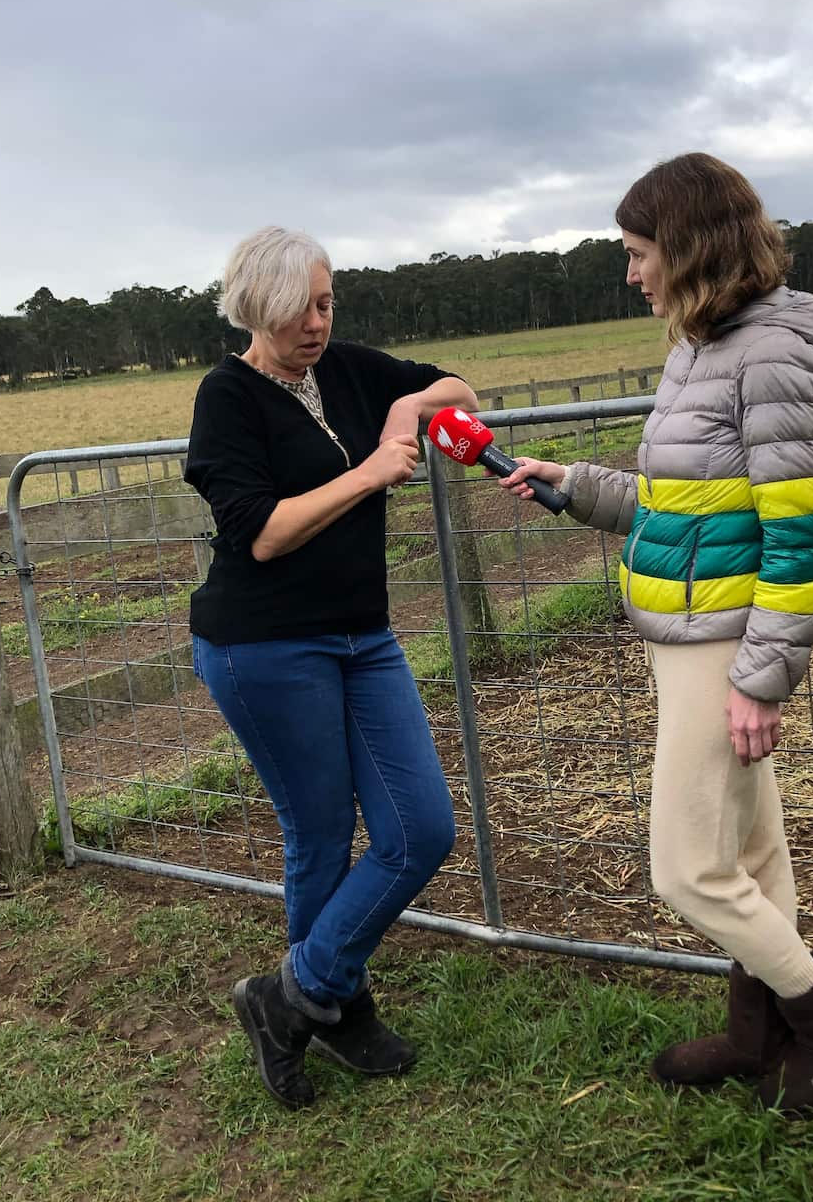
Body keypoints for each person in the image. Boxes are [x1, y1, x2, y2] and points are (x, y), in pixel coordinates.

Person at [495, 153, 813, 1117]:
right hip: (687, 629)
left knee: (687, 870)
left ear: (692, 248)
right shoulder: (700, 345)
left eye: (640, 252)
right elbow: (678, 501)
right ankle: (759, 1037)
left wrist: (760, 678)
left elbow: (797, 532)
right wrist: (572, 485)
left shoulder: (769, 354)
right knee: (751, 855)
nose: (631, 272)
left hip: (724, 640)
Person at [184, 226, 479, 1110]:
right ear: (255, 310)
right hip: (263, 646)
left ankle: (290, 998)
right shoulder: (227, 397)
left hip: (363, 637)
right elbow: (263, 534)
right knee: (318, 832)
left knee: (420, 829)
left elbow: (459, 389)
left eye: (325, 303)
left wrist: (405, 409)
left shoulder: (345, 368)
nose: (316, 324)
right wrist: (373, 471)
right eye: (297, 311)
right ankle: (340, 1010)